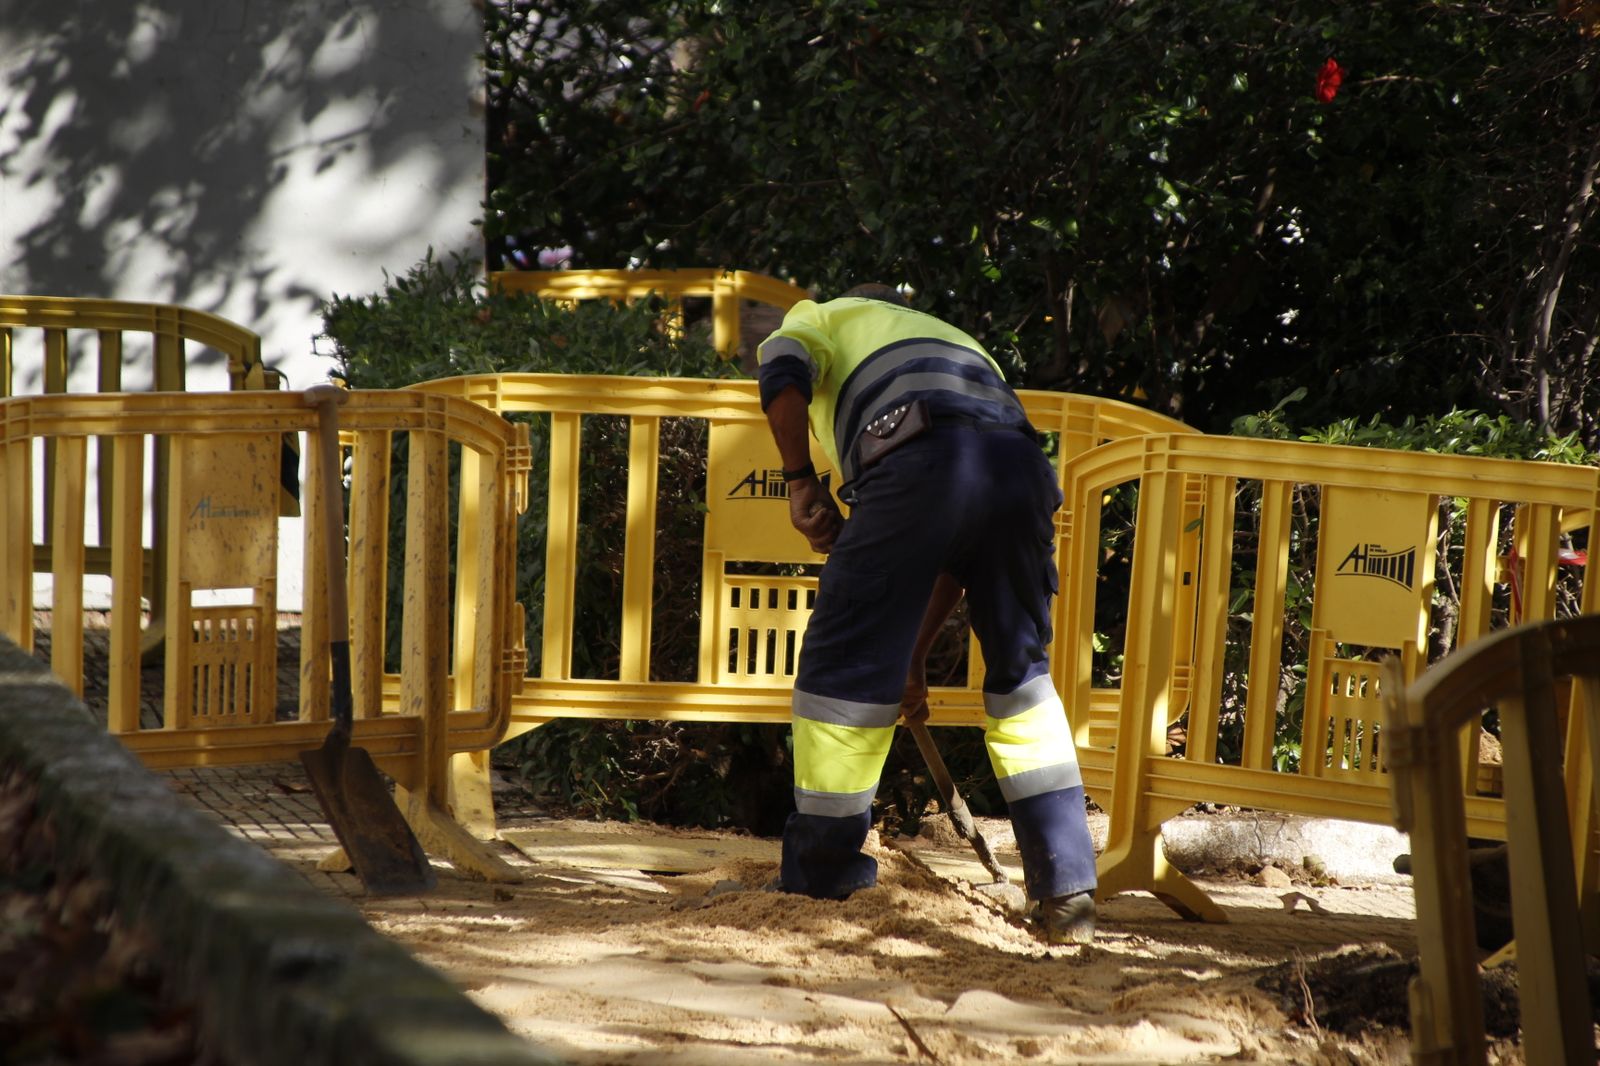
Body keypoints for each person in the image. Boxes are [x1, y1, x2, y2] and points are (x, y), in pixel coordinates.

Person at [756, 283, 1098, 944]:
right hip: (1018, 469)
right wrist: (911, 659)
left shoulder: (826, 316)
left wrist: (799, 482)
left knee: (842, 677)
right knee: (1022, 682)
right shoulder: (955, 342)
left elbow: (781, 366)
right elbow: (952, 549)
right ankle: (1067, 893)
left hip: (914, 454)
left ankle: (822, 879)